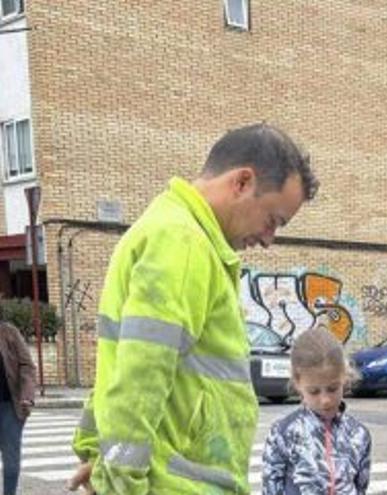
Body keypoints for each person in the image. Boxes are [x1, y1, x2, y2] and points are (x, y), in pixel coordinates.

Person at [67, 123, 319, 494]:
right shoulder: (183, 243)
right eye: (273, 220)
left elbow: (117, 370)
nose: (269, 239)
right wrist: (120, 481)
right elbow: (142, 373)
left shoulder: (174, 232)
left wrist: (97, 455)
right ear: (242, 182)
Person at [261, 327, 371, 495]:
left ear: (344, 376)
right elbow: (271, 489)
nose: (325, 400)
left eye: (333, 389)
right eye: (314, 391)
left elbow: (361, 486)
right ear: (298, 383)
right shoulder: (283, 433)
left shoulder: (359, 434)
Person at [0, 320, 36, 495]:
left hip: (8, 407)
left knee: (11, 462)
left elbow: (27, 366)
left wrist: (27, 396)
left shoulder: (8, 332)